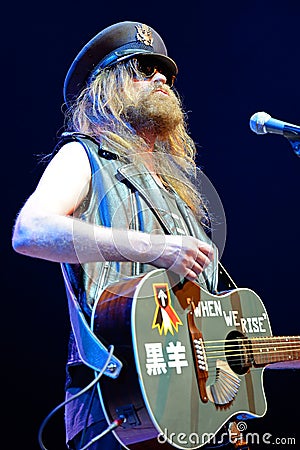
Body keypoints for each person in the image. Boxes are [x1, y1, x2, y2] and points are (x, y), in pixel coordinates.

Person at [12, 21, 239, 450]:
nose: (161, 78)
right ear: (108, 86)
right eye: (142, 67)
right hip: (123, 410)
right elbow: (30, 230)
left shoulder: (180, 187)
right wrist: (154, 248)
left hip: (197, 410)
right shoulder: (84, 155)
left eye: (166, 74)